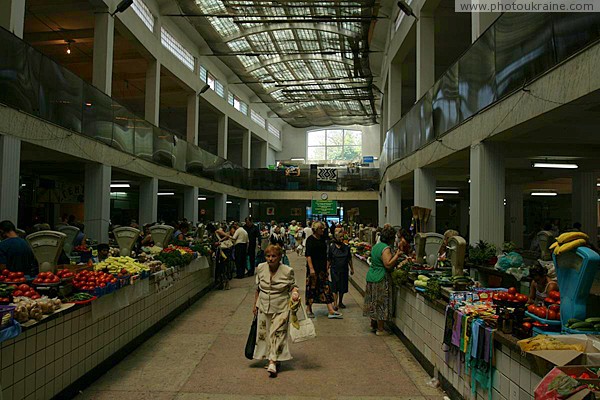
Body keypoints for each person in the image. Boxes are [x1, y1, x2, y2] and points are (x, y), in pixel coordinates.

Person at [252, 244, 299, 377]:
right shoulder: (261, 268)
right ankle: (272, 358)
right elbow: (258, 288)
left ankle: (272, 360)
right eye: (268, 256)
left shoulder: (287, 270)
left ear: (280, 257)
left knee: (278, 333)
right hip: (263, 305)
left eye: (274, 256)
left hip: (281, 306)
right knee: (266, 334)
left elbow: (292, 287)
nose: (270, 259)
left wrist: (295, 293)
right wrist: (255, 305)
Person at [364, 226, 400, 336]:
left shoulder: (376, 246)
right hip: (381, 277)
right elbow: (388, 264)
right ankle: (380, 329)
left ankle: (373, 324)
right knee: (381, 303)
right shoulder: (385, 248)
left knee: (373, 301)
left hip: (371, 276)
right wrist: (397, 255)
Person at [305, 221, 342, 319]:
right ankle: (308, 308)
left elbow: (325, 255)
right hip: (313, 268)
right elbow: (308, 255)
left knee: (326, 288)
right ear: (316, 230)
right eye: (321, 229)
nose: (323, 230)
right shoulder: (310, 240)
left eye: (323, 228)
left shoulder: (323, 240)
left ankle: (330, 309)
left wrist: (327, 266)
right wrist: (311, 269)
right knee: (312, 288)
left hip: (322, 268)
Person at [327, 227, 354, 310]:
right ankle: (335, 303)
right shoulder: (332, 247)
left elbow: (349, 259)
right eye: (340, 237)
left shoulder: (346, 247)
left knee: (342, 287)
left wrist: (352, 268)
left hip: (344, 269)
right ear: (336, 237)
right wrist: (326, 269)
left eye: (343, 237)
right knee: (335, 287)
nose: (342, 239)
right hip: (335, 270)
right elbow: (329, 259)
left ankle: (340, 302)